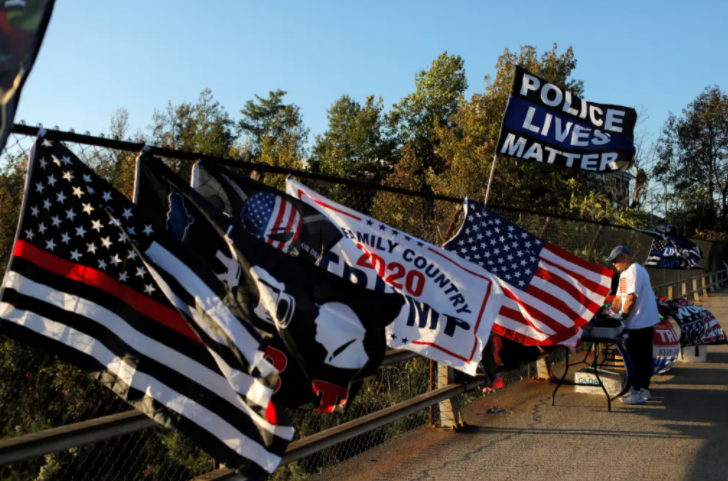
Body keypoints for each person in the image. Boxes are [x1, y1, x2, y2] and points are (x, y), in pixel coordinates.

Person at [607, 245, 660, 405]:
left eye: (615, 260)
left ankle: (637, 391)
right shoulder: (624, 273)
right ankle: (643, 389)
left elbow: (631, 299)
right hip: (634, 322)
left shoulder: (635, 271)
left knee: (638, 358)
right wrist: (611, 313)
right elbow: (618, 297)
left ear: (625, 256)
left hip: (641, 321)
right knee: (640, 357)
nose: (613, 264)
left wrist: (621, 316)